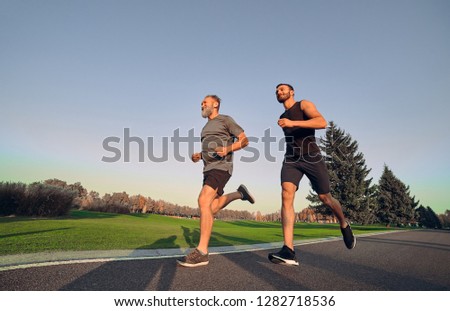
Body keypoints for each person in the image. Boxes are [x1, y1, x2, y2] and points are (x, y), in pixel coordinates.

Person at [268, 83, 355, 266]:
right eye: (276, 90)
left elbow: (321, 122)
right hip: (291, 159)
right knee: (286, 193)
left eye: (282, 89)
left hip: (312, 157)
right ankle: (289, 250)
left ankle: (344, 224)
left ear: (292, 92)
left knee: (325, 198)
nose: (279, 92)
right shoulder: (282, 116)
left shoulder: (304, 105)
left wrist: (294, 122)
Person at [177, 95, 255, 268]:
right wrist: (199, 155)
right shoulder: (205, 127)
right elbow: (211, 148)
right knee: (210, 208)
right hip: (207, 169)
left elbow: (245, 140)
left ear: (216, 104)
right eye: (201, 103)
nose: (202, 104)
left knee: (203, 200)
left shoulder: (225, 120)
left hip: (221, 167)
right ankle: (239, 193)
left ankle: (202, 252)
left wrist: (227, 149)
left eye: (205, 102)